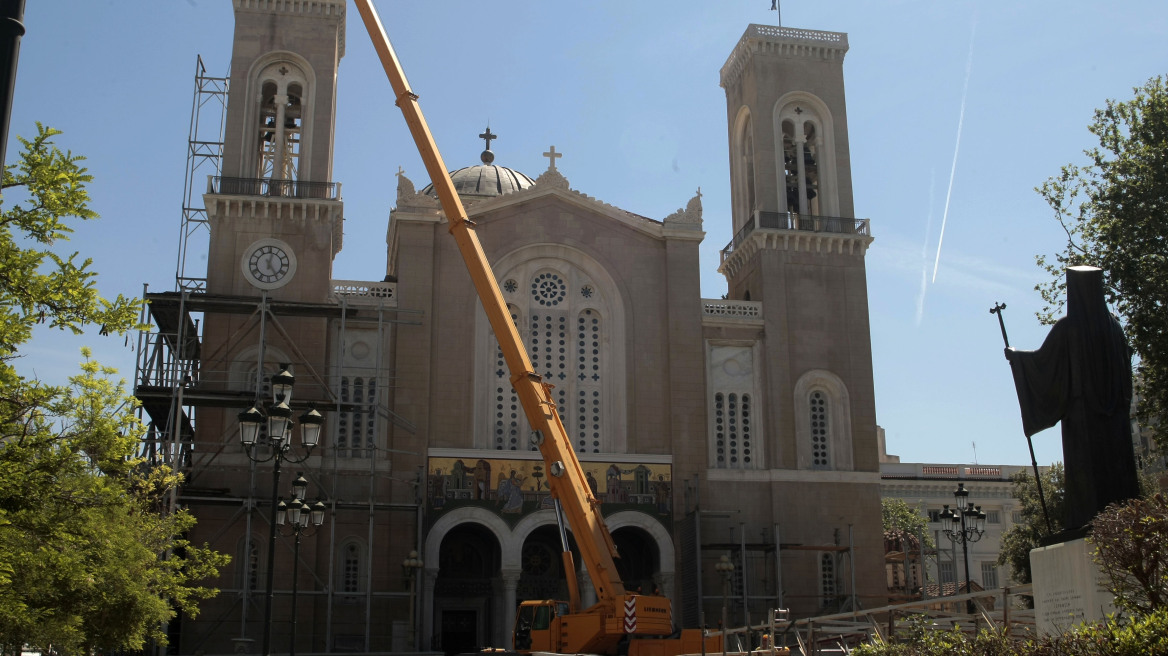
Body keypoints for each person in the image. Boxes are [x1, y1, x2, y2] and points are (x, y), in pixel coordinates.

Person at [1006, 266, 1139, 531]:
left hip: (1082, 416)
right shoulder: (1115, 327)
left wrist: (1017, 357)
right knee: (1117, 471)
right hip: (1115, 420)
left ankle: (1087, 521)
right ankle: (1125, 520)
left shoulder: (1069, 327)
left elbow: (1044, 363)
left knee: (1086, 473)